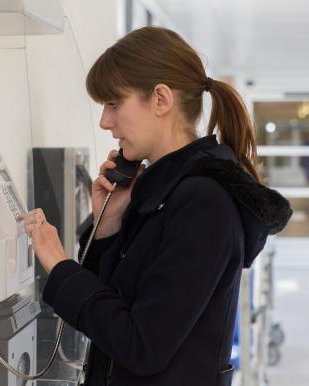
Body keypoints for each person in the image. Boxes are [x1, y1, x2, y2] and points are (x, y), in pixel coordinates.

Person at [20, 26, 291, 386]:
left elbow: (142, 346)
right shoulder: (158, 193)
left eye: (114, 104)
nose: (105, 122)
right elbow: (109, 312)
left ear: (161, 99)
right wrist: (107, 226)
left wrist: (59, 264)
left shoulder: (203, 204)